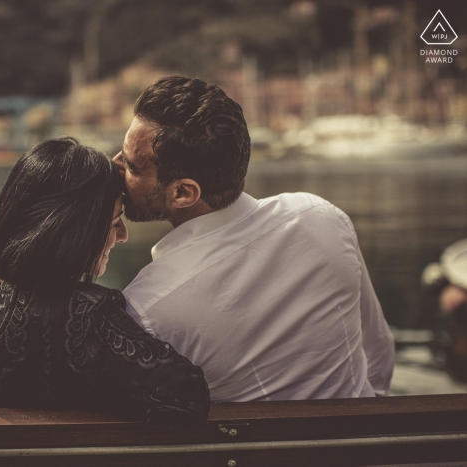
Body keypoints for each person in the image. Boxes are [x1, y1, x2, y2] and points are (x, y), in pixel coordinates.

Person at [113, 76, 395, 401]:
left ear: (183, 192)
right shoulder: (323, 218)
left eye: (132, 165)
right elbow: (379, 349)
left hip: (253, 453)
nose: (115, 165)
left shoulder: (147, 308)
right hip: (366, 443)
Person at [0, 137, 209, 424]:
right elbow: (189, 396)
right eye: (113, 223)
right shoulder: (87, 316)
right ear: (73, 231)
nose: (123, 236)